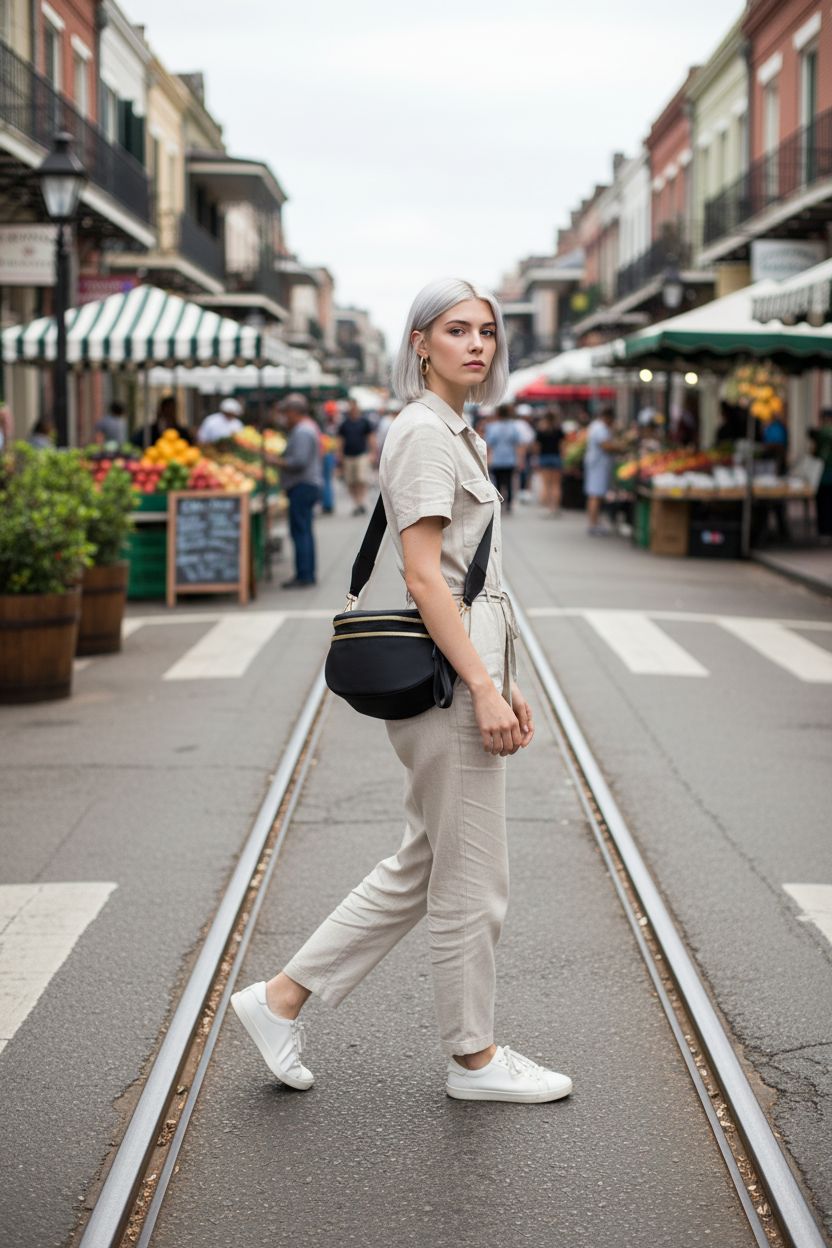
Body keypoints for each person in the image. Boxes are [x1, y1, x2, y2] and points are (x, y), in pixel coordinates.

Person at [230, 277, 573, 1105]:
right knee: (472, 882)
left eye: (486, 330)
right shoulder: (424, 433)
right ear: (420, 343)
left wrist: (508, 681)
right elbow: (425, 577)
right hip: (451, 679)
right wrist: (482, 686)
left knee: (424, 862)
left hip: (469, 666)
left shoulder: (456, 431)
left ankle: (281, 999)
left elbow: (476, 577)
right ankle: (474, 1060)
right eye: (456, 330)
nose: (477, 344)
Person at [275, 393, 322, 587]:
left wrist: (277, 461)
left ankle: (304, 574)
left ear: (294, 412)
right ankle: (307, 573)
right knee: (304, 530)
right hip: (307, 484)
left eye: (286, 412)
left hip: (302, 485)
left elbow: (299, 461)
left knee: (300, 531)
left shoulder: (302, 431)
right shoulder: (307, 428)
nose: (285, 417)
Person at [338, 399, 376, 515]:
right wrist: (339, 456)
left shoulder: (364, 422)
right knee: (351, 481)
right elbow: (341, 441)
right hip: (348, 456)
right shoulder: (344, 424)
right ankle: (356, 503)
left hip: (361, 455)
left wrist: (373, 453)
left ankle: (360, 502)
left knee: (361, 480)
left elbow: (371, 438)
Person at [584, 406, 618, 535]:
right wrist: (620, 448)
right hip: (598, 465)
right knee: (596, 494)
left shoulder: (596, 426)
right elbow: (605, 445)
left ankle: (594, 522)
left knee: (595, 494)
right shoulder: (599, 428)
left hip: (597, 465)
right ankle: (593, 524)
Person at [484, 403, 523, 513]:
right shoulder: (513, 427)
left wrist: (487, 459)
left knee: (497, 481)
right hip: (510, 459)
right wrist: (519, 459)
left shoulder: (493, 427)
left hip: (496, 459)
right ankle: (509, 503)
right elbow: (517, 444)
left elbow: (489, 444)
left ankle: (499, 502)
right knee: (509, 481)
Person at [533, 408, 564, 515]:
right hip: (556, 457)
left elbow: (537, 447)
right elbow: (562, 446)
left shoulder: (541, 430)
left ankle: (547, 508)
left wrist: (536, 458)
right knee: (556, 485)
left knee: (546, 484)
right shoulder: (558, 430)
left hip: (544, 457)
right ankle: (555, 507)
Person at [809, 407, 832, 541]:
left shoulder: (822, 432)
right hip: (826, 475)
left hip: (823, 475)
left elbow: (814, 451)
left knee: (823, 504)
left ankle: (824, 531)